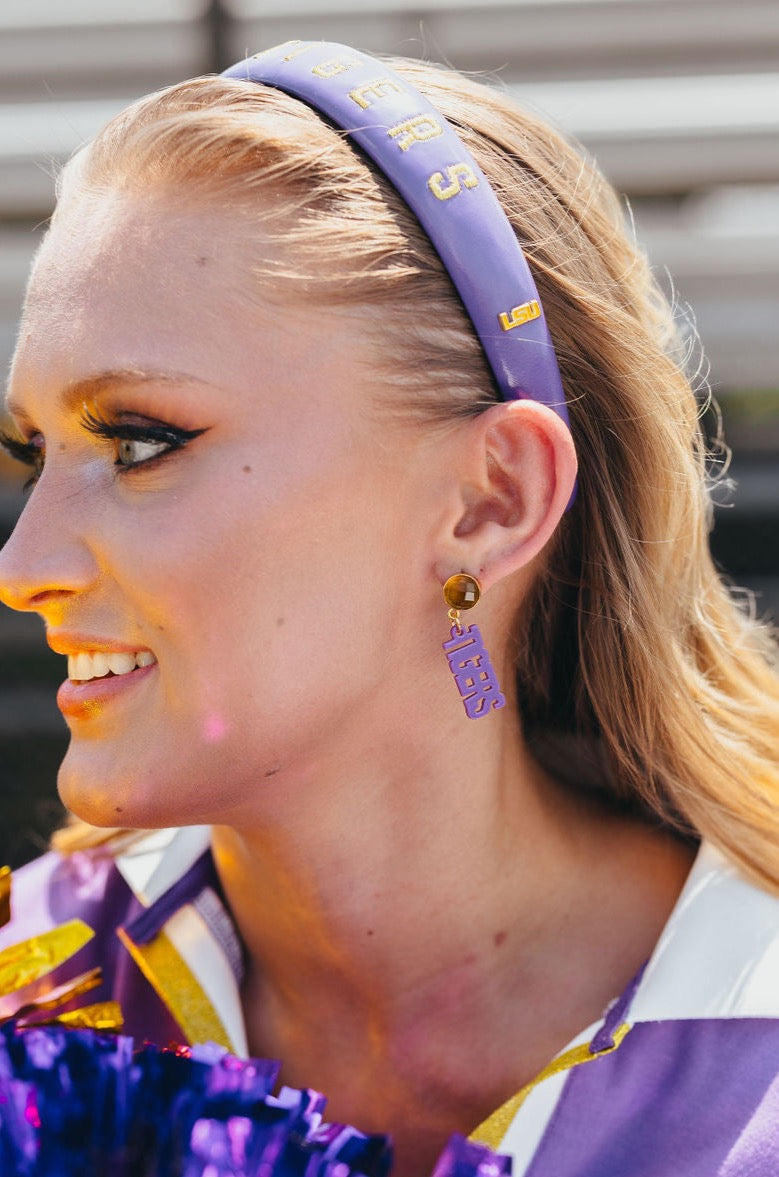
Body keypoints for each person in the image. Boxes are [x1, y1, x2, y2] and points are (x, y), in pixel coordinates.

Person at [0, 38, 777, 1177]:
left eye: (141, 441)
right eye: (31, 452)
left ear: (488, 501)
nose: (23, 561)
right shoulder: (32, 994)